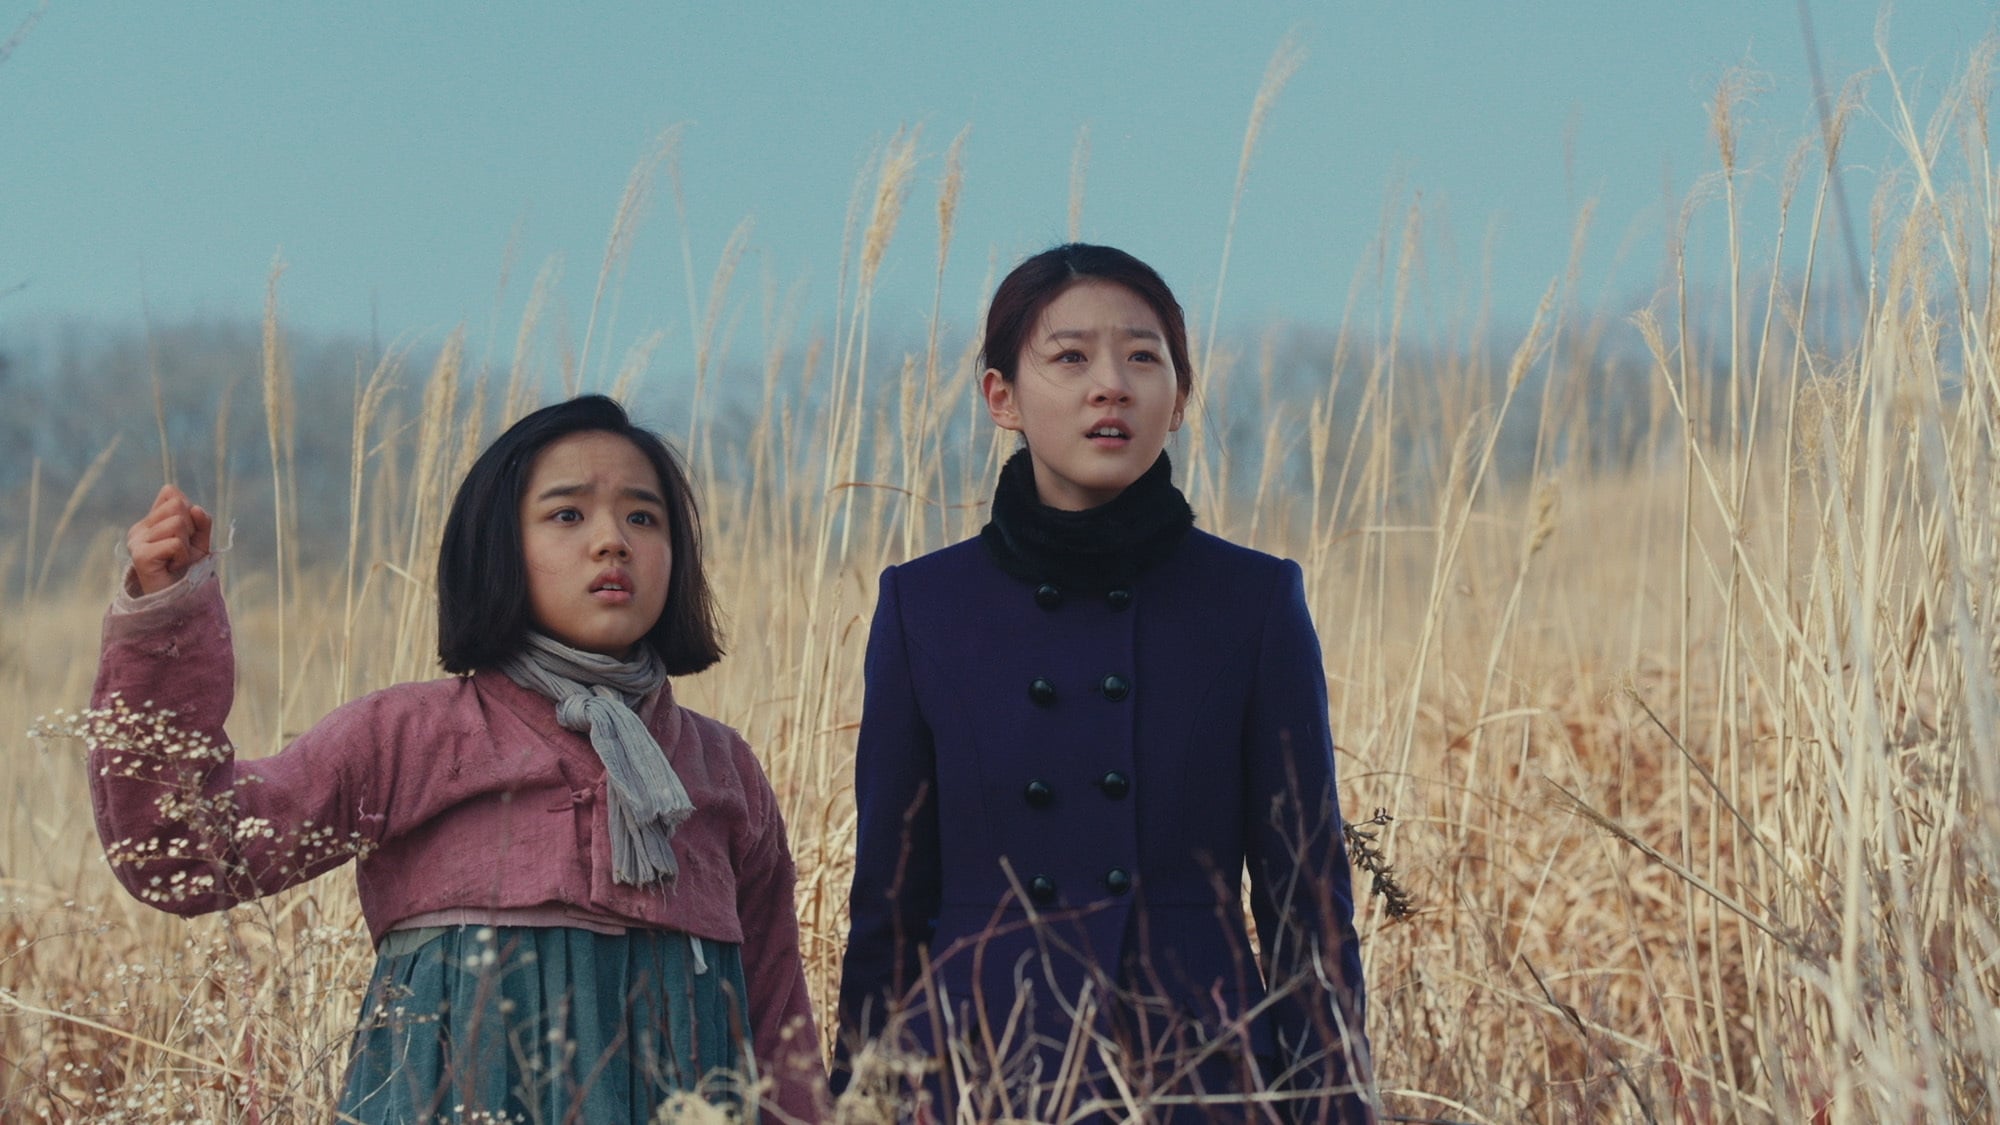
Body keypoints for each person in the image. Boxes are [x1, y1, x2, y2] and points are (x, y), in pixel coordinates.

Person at [88, 395, 826, 1122]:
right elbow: (185, 849)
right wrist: (167, 618)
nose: (613, 541)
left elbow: (778, 1026)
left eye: (643, 517)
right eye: (568, 514)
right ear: (497, 547)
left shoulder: (721, 769)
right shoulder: (407, 736)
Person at [834, 244, 1372, 1123]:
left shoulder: (1253, 600)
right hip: (977, 1071)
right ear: (1001, 397)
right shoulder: (923, 605)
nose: (1111, 385)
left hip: (1199, 1074)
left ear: (1180, 398)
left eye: (1143, 357)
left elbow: (1306, 906)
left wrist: (1333, 1107)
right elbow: (888, 912)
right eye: (1072, 356)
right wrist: (860, 1104)